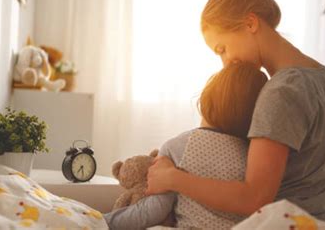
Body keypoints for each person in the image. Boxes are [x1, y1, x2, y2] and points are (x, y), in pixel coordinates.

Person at [145, 0, 325, 229]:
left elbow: (253, 198)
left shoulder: (281, 92)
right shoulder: (319, 73)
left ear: (250, 23)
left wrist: (173, 178)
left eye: (223, 48)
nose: (225, 62)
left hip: (311, 223)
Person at [104, 62, 268, 229]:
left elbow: (154, 211)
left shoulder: (178, 147)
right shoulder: (256, 154)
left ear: (207, 97)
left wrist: (103, 221)